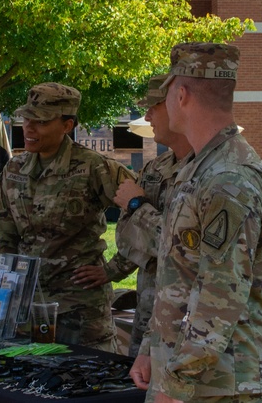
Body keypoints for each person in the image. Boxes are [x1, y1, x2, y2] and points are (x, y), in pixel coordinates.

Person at [130, 42, 262, 403]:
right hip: (192, 374)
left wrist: (176, 384)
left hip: (218, 384)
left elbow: (219, 293)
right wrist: (152, 345)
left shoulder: (228, 178)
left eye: (164, 95)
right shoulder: (201, 167)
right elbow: (179, 275)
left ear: (181, 95)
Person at [0, 82, 135, 352]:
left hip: (80, 310)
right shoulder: (15, 168)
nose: (29, 128)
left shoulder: (95, 167)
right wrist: (0, 280)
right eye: (26, 119)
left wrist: (114, 269)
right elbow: (6, 228)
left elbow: (144, 217)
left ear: (67, 125)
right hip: (27, 303)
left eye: (41, 121)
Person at [71, 74, 192, 357]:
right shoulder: (156, 167)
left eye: (154, 106)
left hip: (188, 319)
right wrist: (110, 271)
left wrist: (138, 204)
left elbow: (184, 247)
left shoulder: (210, 172)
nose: (147, 115)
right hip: (149, 309)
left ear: (178, 105)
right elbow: (132, 233)